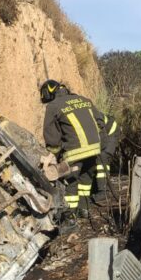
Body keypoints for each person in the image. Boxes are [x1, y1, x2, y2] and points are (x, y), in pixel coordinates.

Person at [40, 79, 101, 218]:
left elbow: (52, 136)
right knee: (86, 179)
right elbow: (100, 122)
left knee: (71, 182)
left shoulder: (53, 106)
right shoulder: (84, 100)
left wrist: (53, 154)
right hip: (95, 149)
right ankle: (84, 210)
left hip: (75, 152)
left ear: (48, 93)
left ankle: (69, 217)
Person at [90, 105, 119, 199]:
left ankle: (103, 191)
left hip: (110, 133)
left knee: (102, 158)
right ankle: (96, 187)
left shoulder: (94, 119)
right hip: (103, 135)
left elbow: (102, 139)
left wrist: (98, 149)